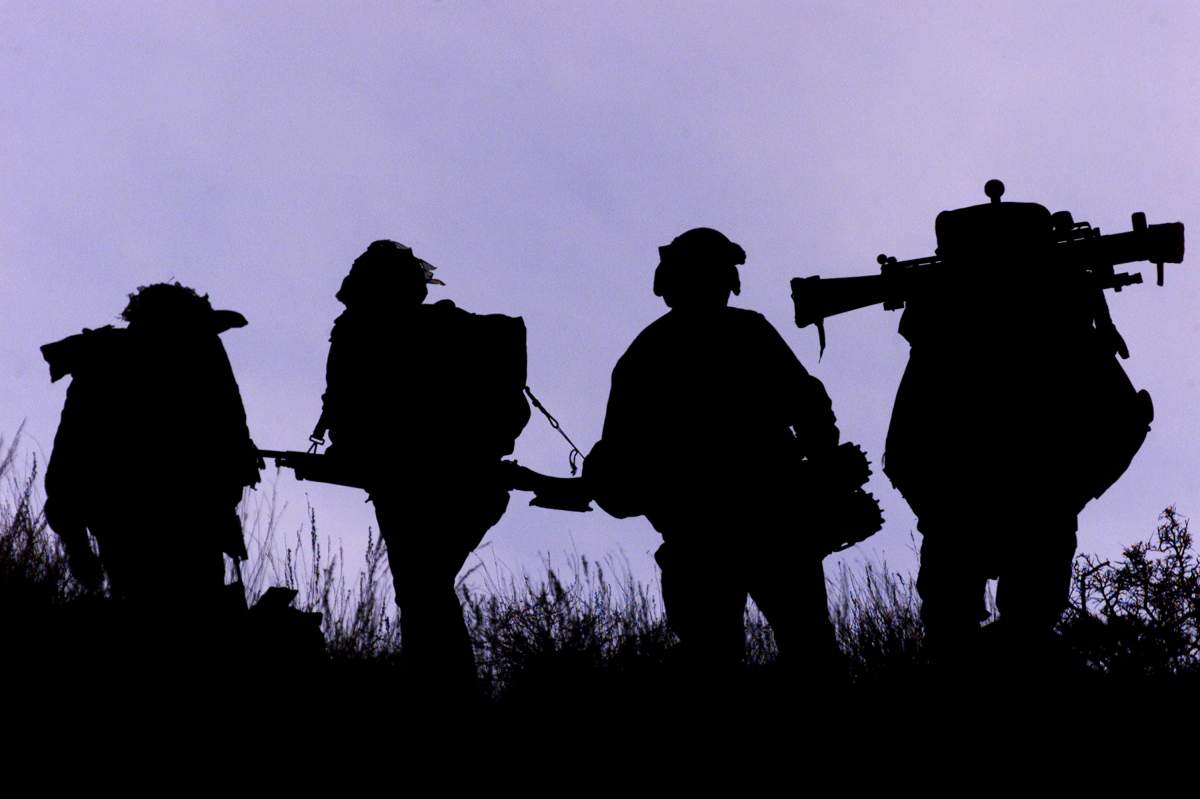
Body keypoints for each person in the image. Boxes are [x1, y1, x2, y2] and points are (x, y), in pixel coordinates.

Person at [882, 182, 1154, 672]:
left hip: (962, 512)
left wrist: (937, 507)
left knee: (954, 635)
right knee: (1020, 635)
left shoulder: (937, 346)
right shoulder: (1065, 334)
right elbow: (1124, 423)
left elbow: (901, 451)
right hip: (1032, 510)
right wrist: (1067, 493)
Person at [586, 227, 844, 682]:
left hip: (707, 532)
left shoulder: (645, 353)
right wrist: (821, 463)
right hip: (766, 523)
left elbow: (617, 456)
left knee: (715, 662)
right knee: (806, 651)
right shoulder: (747, 331)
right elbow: (808, 404)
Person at [315, 240, 529, 695]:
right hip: (456, 483)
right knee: (423, 589)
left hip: (423, 484)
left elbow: (349, 409)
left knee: (421, 590)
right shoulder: (451, 330)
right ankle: (442, 690)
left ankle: (442, 693)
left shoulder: (371, 334)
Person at [41, 283, 260, 624]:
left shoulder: (108, 359)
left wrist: (75, 541)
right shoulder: (113, 361)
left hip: (170, 519)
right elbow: (71, 453)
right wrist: (75, 542)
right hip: (147, 520)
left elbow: (68, 456)